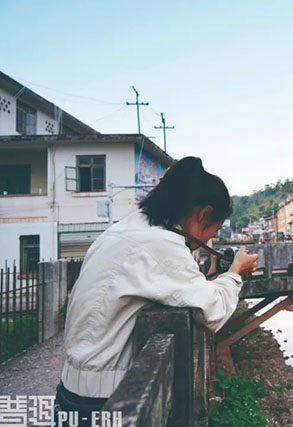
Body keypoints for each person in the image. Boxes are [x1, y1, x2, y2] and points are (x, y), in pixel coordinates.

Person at [54, 156, 257, 425]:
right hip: (103, 399)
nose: (209, 240)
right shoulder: (160, 243)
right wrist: (235, 273)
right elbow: (214, 311)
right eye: (214, 230)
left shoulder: (126, 229)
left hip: (71, 389)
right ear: (203, 214)